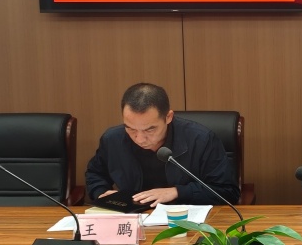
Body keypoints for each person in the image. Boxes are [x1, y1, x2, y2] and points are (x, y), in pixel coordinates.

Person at [86, 82, 240, 206]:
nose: (140, 139)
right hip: (135, 219)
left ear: (168, 117)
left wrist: (177, 192)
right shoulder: (112, 140)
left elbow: (227, 191)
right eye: (131, 128)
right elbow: (95, 174)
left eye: (150, 129)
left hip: (185, 220)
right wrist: (101, 192)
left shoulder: (201, 139)